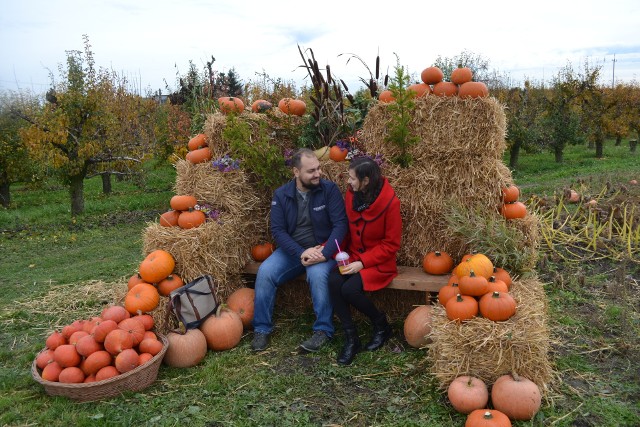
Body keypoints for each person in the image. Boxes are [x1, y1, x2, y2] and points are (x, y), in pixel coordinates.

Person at [252, 148, 348, 352]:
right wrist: (300, 253)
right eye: (311, 171)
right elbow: (277, 231)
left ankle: (323, 330)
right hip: (294, 251)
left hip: (323, 249)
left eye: (318, 169)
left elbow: (340, 225)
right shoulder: (282, 194)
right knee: (265, 272)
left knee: (317, 275)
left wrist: (323, 253)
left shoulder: (329, 190)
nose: (318, 174)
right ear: (296, 172)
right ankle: (261, 329)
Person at [328, 156, 402, 365]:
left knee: (349, 289)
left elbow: (391, 244)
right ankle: (351, 338)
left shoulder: (390, 203)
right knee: (333, 280)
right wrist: (331, 249)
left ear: (366, 180)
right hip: (352, 256)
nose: (348, 182)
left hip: (378, 262)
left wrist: (363, 262)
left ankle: (381, 325)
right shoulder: (352, 196)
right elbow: (347, 229)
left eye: (352, 178)